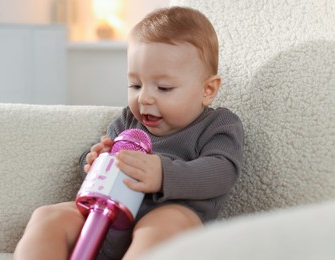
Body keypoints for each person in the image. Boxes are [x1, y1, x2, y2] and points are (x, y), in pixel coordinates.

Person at [13, 6, 244, 260]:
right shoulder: (128, 120)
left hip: (170, 215)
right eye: (135, 84)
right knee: (47, 216)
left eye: (164, 88)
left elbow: (223, 171)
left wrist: (163, 174)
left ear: (207, 90)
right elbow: (96, 156)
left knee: (163, 225)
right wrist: (94, 161)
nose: (144, 98)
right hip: (107, 215)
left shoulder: (218, 124)